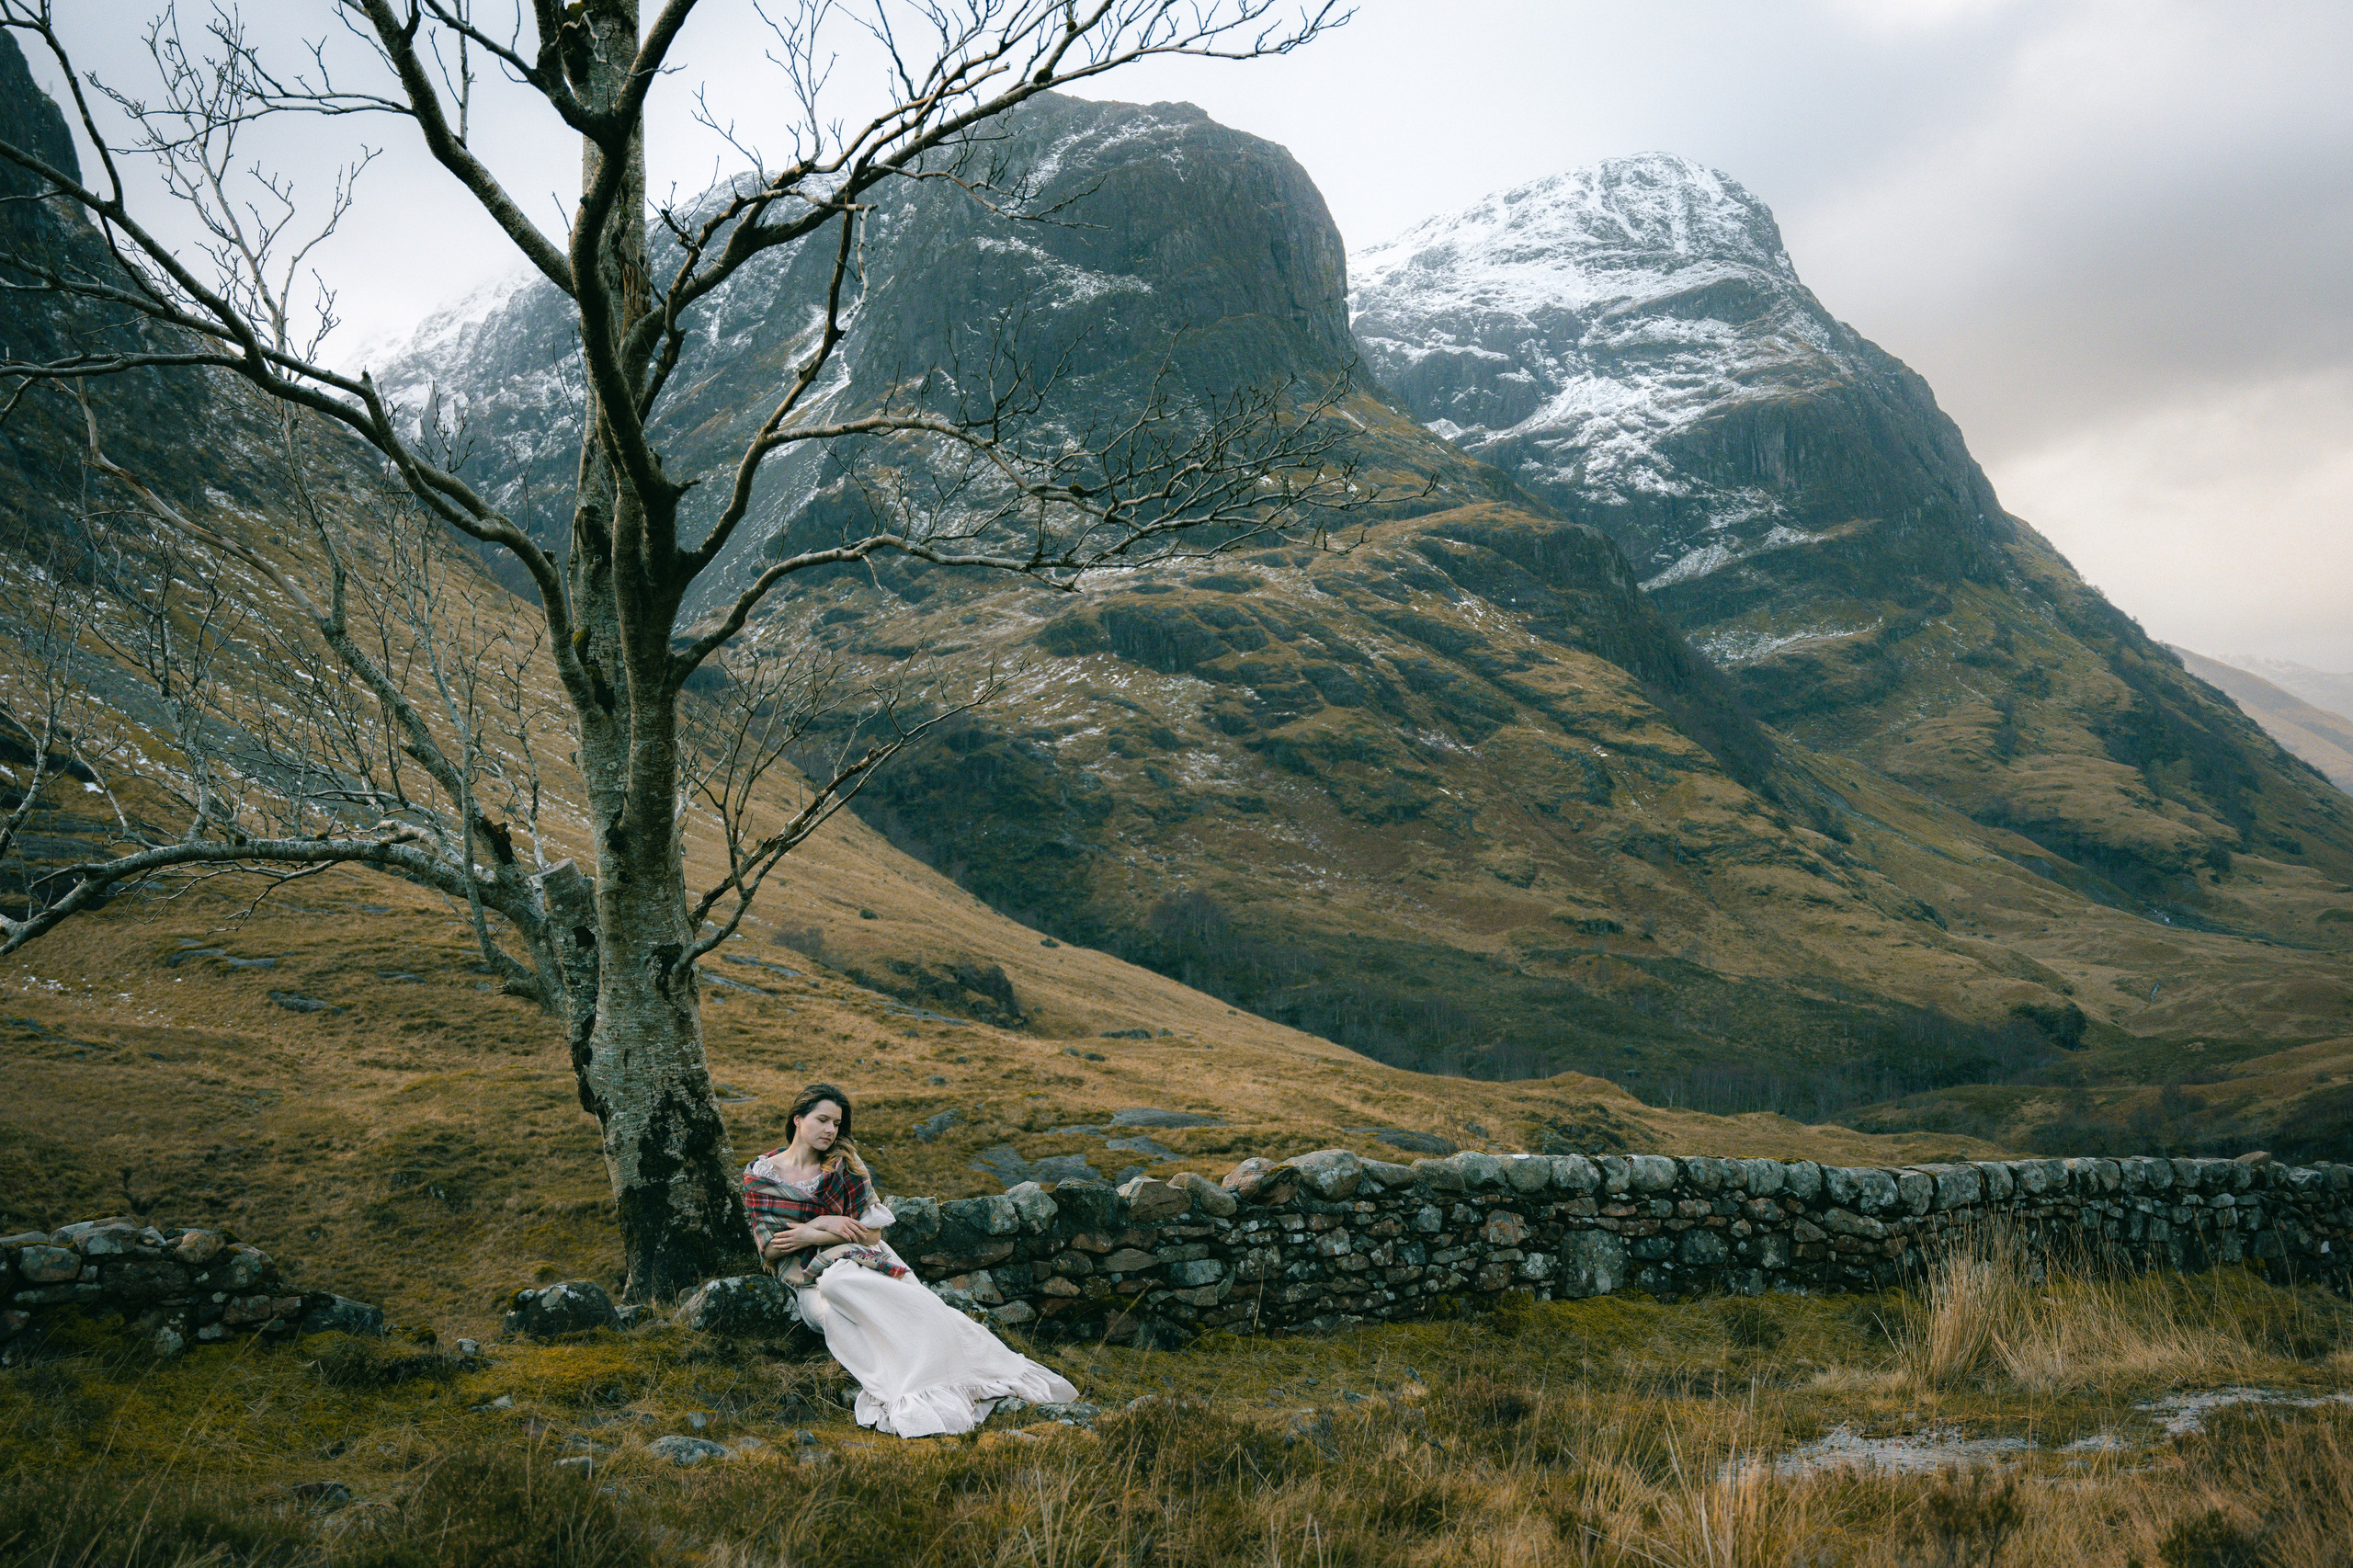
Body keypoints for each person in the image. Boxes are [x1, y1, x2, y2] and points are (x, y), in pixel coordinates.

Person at [741, 1082, 1078, 1437]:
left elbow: (872, 1234)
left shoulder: (844, 1165)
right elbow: (772, 1249)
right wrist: (824, 1223)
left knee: (843, 1281)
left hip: (864, 1259)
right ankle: (911, 1384)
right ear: (798, 1119)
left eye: (837, 1123)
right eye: (822, 1120)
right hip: (805, 1277)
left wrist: (814, 1233)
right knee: (830, 1309)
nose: (830, 1130)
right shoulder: (762, 1177)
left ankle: (944, 1375)